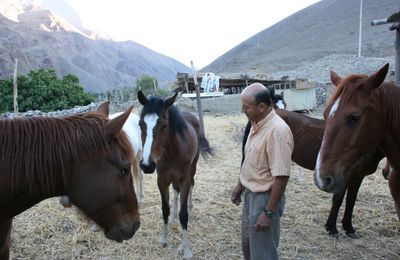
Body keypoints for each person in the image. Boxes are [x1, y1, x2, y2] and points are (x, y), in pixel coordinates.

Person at [231, 83, 294, 259]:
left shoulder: (277, 131)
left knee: (263, 254)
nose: (243, 109)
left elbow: (281, 177)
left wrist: (268, 213)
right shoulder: (256, 123)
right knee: (250, 248)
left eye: (246, 106)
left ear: (262, 107)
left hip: (264, 200)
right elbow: (250, 160)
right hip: (251, 196)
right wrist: (240, 185)